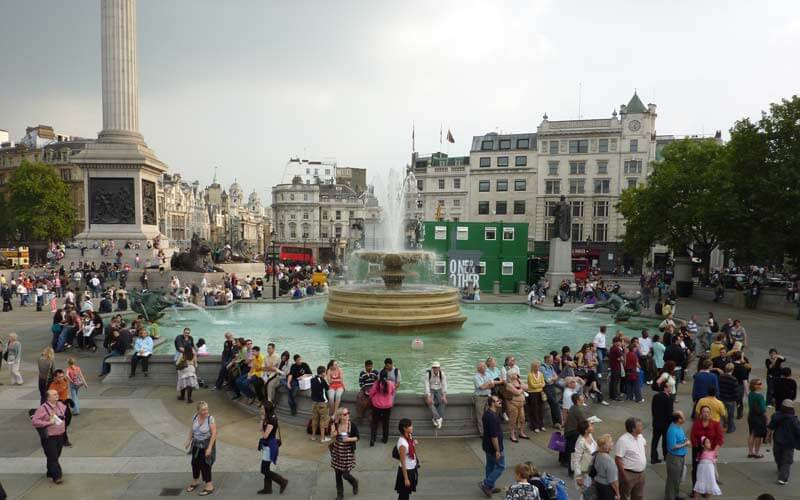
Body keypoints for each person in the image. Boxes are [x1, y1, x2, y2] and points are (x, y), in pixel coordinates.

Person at [31, 389, 68, 484]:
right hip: (49, 437)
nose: (57, 395)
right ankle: (57, 476)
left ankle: (50, 472)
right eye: (54, 394)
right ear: (48, 398)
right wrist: (48, 422)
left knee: (56, 455)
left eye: (57, 394)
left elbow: (64, 412)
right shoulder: (43, 408)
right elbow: (35, 421)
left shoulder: (60, 405)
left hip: (60, 435)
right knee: (53, 457)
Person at [185, 401, 217, 495]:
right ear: (198, 411)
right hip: (196, 445)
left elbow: (214, 433)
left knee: (205, 465)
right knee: (194, 463)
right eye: (203, 410)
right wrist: (188, 440)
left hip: (206, 445)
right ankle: (195, 481)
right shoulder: (195, 417)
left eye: (207, 409)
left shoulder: (210, 419)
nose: (206, 411)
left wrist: (210, 448)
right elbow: (192, 429)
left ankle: (209, 486)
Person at [690, 406, 724, 494]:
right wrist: (699, 449)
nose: (706, 414)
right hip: (698, 451)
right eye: (704, 412)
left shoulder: (715, 424)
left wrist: (715, 451)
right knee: (696, 469)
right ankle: (695, 489)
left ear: (710, 413)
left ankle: (707, 490)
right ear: (701, 414)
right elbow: (693, 437)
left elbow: (720, 439)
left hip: (710, 452)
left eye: (708, 412)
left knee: (709, 471)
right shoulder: (696, 424)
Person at [257, 401, 288, 494]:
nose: (261, 410)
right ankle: (267, 488)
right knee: (266, 468)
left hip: (270, 447)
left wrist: (262, 432)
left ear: (267, 408)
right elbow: (260, 428)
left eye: (262, 408)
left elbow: (265, 435)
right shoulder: (267, 417)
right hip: (267, 445)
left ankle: (282, 481)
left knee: (264, 469)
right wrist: (262, 419)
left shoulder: (272, 420)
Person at [768, 399, 800, 485]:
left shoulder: (776, 416)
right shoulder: (794, 419)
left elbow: (771, 426)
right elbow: (798, 431)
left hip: (778, 440)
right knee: (786, 460)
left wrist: (769, 435)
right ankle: (783, 478)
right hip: (789, 443)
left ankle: (780, 469)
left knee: (778, 456)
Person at [330, 407, 359, 500]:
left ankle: (354, 482)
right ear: (340, 416)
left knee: (345, 475)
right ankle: (340, 494)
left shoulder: (352, 425)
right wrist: (334, 432)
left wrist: (349, 439)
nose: (348, 415)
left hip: (347, 454)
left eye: (348, 413)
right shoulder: (336, 424)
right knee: (337, 475)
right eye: (345, 414)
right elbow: (332, 435)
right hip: (337, 452)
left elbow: (357, 437)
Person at [614, 417, 647, 500]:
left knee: (638, 496)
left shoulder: (640, 436)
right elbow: (618, 459)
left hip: (641, 474)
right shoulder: (623, 441)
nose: (642, 427)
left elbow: (644, 445)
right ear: (633, 429)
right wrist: (625, 476)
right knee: (624, 496)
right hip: (629, 474)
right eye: (640, 426)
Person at [480, 395, 506, 497]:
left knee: (490, 465)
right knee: (501, 466)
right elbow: (494, 436)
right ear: (492, 403)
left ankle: (490, 486)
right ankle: (486, 483)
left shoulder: (488, 414)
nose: (500, 401)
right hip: (493, 447)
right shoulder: (492, 417)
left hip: (487, 445)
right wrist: (498, 450)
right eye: (497, 400)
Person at [665, 411, 691, 500]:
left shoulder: (679, 427)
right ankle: (670, 497)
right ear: (679, 419)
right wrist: (685, 444)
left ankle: (675, 495)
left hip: (680, 457)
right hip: (674, 458)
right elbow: (672, 446)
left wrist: (685, 439)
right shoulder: (672, 430)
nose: (684, 418)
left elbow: (681, 438)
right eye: (682, 417)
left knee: (677, 479)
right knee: (672, 480)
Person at [369, 370, 396, 446]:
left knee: (374, 423)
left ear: (380, 376)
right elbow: (393, 393)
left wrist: (372, 399)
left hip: (377, 406)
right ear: (387, 376)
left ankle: (372, 439)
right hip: (387, 406)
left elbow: (371, 393)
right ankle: (385, 439)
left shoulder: (377, 383)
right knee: (386, 423)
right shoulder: (390, 383)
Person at [572, 420, 598, 500]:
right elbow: (576, 460)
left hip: (592, 469)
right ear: (586, 430)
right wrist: (578, 476)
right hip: (585, 473)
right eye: (590, 426)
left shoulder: (590, 435)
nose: (592, 427)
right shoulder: (580, 442)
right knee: (585, 494)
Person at [395, 418, 419, 500]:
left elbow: (411, 450)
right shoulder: (402, 444)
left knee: (406, 495)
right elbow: (403, 462)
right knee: (403, 496)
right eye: (410, 426)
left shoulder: (409, 436)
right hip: (406, 471)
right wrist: (406, 479)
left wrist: (413, 443)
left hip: (411, 469)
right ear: (404, 428)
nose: (412, 427)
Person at [651, 383, 674, 464]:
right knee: (665, 441)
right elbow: (669, 413)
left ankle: (653, 458)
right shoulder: (669, 398)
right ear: (665, 388)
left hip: (657, 422)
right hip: (665, 424)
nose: (671, 388)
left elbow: (653, 409)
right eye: (670, 386)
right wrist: (672, 421)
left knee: (655, 441)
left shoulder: (655, 396)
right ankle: (666, 456)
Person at [423, 361, 447, 429]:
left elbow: (444, 385)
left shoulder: (442, 374)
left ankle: (435, 418)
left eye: (437, 368)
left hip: (439, 389)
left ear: (439, 368)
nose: (436, 369)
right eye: (434, 367)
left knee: (443, 401)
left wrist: (444, 396)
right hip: (431, 389)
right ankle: (438, 418)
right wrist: (428, 396)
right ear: (432, 368)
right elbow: (426, 386)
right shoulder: (428, 374)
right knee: (430, 402)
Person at [505, 372, 528, 442]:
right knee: (513, 420)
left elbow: (527, 387)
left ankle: (521, 432)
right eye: (514, 374)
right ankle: (512, 435)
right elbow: (516, 392)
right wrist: (522, 388)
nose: (516, 375)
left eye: (516, 374)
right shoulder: (509, 384)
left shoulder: (519, 381)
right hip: (513, 404)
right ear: (510, 375)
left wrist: (521, 387)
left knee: (522, 419)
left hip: (521, 404)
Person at [310, 365, 331, 443]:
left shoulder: (312, 380)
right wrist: (325, 379)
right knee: (323, 420)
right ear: (322, 373)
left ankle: (313, 436)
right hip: (322, 403)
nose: (325, 374)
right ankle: (322, 438)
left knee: (314, 420)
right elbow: (327, 388)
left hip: (314, 403)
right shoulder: (322, 381)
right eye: (325, 372)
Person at [473, 361, 495, 436]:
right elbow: (481, 387)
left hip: (488, 397)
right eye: (482, 366)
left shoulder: (488, 374)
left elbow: (492, 385)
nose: (484, 367)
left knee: (488, 415)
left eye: (484, 366)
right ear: (478, 368)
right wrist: (488, 384)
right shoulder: (476, 377)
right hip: (479, 398)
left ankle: (488, 431)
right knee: (480, 416)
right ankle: (482, 433)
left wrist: (486, 385)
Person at [748, 379, 768, 459]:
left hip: (751, 416)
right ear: (754, 386)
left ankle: (750, 452)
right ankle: (757, 453)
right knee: (758, 435)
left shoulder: (750, 394)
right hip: (759, 417)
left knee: (752, 433)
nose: (761, 385)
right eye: (759, 384)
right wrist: (766, 418)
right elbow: (763, 409)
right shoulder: (760, 396)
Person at [718, 363, 739, 434]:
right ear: (732, 370)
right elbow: (736, 392)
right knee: (730, 415)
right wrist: (737, 401)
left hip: (721, 398)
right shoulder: (734, 379)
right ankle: (730, 429)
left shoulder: (720, 377)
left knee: (721, 415)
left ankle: (719, 428)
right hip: (730, 400)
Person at [526, 361, 546, 432]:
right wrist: (539, 385)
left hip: (540, 393)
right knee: (534, 409)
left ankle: (541, 425)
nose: (538, 368)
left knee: (540, 409)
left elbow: (543, 383)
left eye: (538, 366)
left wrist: (538, 385)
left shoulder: (541, 374)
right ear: (533, 367)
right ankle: (535, 426)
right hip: (532, 394)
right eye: (537, 366)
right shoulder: (530, 375)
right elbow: (532, 385)